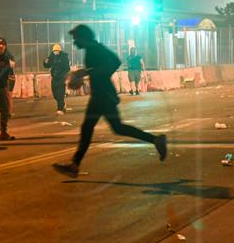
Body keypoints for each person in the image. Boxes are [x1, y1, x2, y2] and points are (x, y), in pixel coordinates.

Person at [52, 25, 167, 178]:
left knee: (98, 129)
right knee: (106, 128)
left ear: (83, 37)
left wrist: (87, 72)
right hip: (100, 96)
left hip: (103, 96)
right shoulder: (91, 49)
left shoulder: (95, 48)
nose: (74, 42)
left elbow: (114, 62)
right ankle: (75, 165)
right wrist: (86, 74)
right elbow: (104, 66)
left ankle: (156, 140)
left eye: (76, 39)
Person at [43, 43, 70, 114]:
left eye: (57, 51)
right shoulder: (52, 56)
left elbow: (67, 68)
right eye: (54, 51)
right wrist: (45, 62)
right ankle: (63, 104)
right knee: (55, 94)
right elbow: (48, 65)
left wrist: (63, 76)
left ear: (59, 51)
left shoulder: (64, 57)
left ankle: (60, 109)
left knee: (60, 94)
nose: (55, 52)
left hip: (61, 78)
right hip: (54, 78)